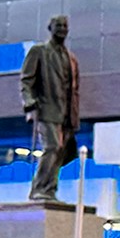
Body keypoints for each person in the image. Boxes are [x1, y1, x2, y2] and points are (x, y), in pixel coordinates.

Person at [19, 15, 80, 203]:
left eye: (65, 26)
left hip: (66, 114)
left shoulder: (71, 58)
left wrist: (74, 116)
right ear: (50, 28)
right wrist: (29, 102)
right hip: (46, 109)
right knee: (52, 147)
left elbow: (74, 90)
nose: (62, 29)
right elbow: (26, 80)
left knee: (61, 152)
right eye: (58, 25)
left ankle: (49, 190)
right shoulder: (39, 51)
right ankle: (39, 188)